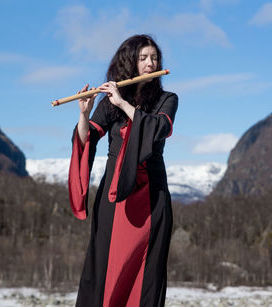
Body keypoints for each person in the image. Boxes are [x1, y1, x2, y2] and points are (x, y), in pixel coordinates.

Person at [68, 34, 178, 307]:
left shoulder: (168, 99)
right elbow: (87, 139)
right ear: (131, 63)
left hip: (152, 197)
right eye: (143, 58)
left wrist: (124, 104)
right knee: (107, 269)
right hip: (113, 199)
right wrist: (84, 114)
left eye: (154, 58)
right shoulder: (109, 101)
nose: (151, 64)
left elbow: (158, 129)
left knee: (146, 275)